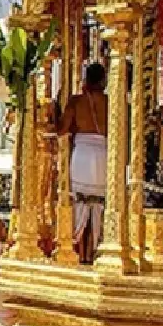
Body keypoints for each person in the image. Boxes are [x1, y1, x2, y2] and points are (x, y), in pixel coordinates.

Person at [58, 62, 108, 264]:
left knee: (81, 202)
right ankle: (93, 250)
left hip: (83, 155)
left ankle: (79, 250)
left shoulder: (76, 102)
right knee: (97, 205)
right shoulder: (111, 102)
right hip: (104, 155)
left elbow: (62, 129)